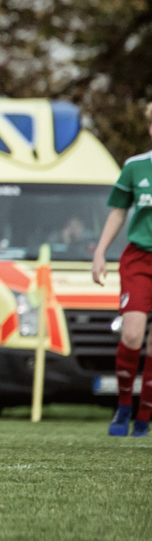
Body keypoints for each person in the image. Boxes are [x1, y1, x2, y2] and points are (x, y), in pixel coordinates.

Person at [92, 100, 152, 436]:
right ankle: (124, 405)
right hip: (139, 259)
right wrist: (100, 252)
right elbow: (117, 212)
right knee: (132, 333)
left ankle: (145, 415)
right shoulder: (135, 167)